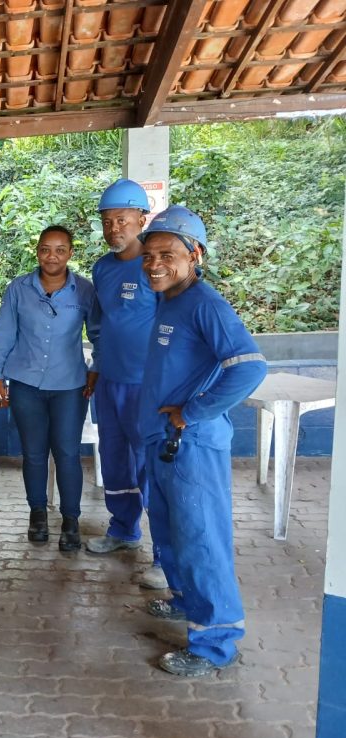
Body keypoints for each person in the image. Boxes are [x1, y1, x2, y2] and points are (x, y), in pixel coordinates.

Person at [137, 205, 266, 677]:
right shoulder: (170, 300)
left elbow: (250, 367)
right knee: (171, 533)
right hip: (164, 442)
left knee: (202, 541)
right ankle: (184, 599)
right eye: (149, 255)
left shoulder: (207, 303)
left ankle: (216, 643)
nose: (154, 264)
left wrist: (191, 411)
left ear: (195, 255)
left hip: (192, 446)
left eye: (167, 254)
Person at [0, 225, 100, 551]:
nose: (52, 256)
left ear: (70, 253)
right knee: (34, 454)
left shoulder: (84, 291)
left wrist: (97, 369)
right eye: (45, 249)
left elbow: (99, 334)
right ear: (37, 251)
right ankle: (37, 513)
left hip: (70, 387)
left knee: (67, 453)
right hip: (26, 384)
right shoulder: (18, 289)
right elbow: (4, 333)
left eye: (60, 250)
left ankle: (70, 520)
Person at [85, 179, 167, 590]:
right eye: (107, 220)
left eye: (122, 219)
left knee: (152, 465)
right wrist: (97, 368)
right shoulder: (102, 267)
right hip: (110, 381)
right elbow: (100, 326)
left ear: (141, 219)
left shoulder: (156, 266)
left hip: (147, 385)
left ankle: (163, 555)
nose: (114, 227)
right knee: (115, 458)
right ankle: (123, 529)